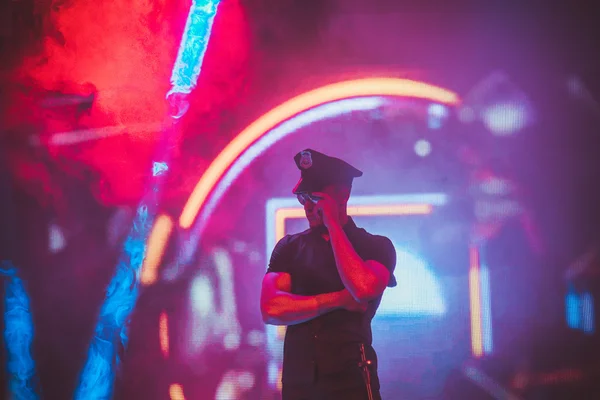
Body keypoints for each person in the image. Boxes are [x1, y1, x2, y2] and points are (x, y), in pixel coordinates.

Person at [260, 149, 397, 400]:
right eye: (303, 198)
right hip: (299, 382)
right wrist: (338, 300)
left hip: (350, 381)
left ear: (343, 195)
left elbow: (364, 288)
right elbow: (271, 307)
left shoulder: (375, 246)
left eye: (315, 197)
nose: (308, 207)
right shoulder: (290, 247)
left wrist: (333, 224)